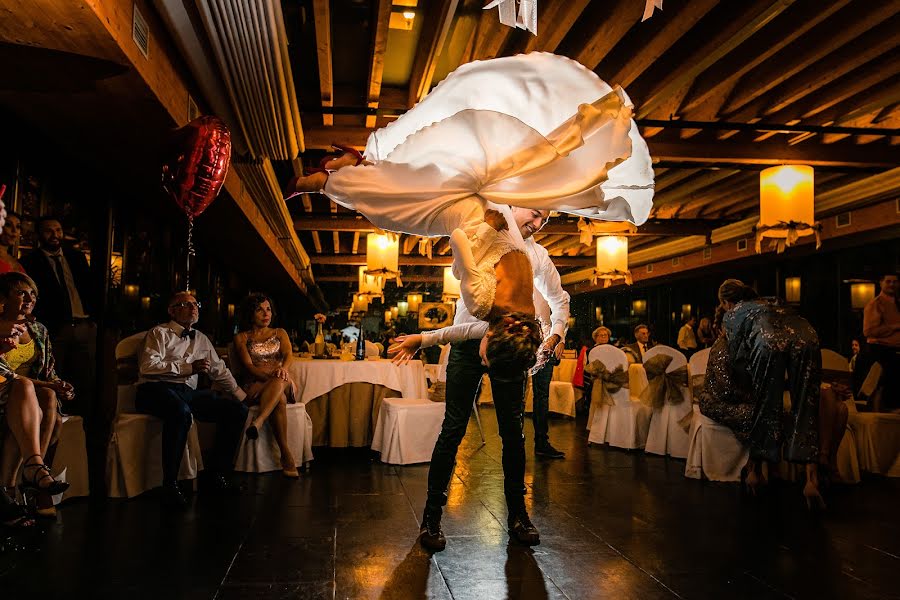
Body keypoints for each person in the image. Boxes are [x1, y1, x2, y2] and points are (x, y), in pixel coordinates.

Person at [389, 207, 571, 551]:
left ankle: (518, 514)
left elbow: (559, 300)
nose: (537, 224)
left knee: (513, 431)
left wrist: (555, 335)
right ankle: (431, 518)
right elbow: (463, 268)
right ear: (514, 205)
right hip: (467, 340)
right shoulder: (483, 230)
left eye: (544, 220)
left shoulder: (538, 255)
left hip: (511, 345)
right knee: (453, 426)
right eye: (534, 214)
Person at [696, 279, 823, 508]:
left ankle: (755, 471)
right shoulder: (772, 303)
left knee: (766, 403)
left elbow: (739, 362)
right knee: (807, 404)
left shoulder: (734, 314)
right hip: (807, 335)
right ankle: (812, 479)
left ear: (725, 302)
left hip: (768, 341)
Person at [136, 291, 249, 507]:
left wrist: (241, 397)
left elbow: (220, 371)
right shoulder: (159, 333)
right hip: (155, 389)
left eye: (195, 304)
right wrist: (188, 368)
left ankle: (217, 474)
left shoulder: (201, 338)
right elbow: (147, 367)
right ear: (172, 310)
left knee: (237, 411)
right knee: (180, 413)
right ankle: (170, 484)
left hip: (186, 393)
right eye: (186, 304)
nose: (193, 307)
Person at [0, 273, 74, 517]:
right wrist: (47, 385)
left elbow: (48, 371)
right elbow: (6, 374)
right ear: (3, 298)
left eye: (32, 294)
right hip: (6, 388)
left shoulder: (38, 330)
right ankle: (32, 480)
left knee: (48, 398)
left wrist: (58, 384)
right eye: (21, 293)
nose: (29, 298)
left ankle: (33, 472)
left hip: (29, 395)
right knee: (25, 388)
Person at [20, 217, 95, 418]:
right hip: (54, 328)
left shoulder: (76, 257)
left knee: (83, 378)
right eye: (49, 231)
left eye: (58, 230)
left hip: (83, 325)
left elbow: (89, 289)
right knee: (54, 375)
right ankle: (53, 420)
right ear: (39, 235)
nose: (55, 235)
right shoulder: (29, 261)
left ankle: (78, 425)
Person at [232, 293, 299, 478]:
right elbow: (248, 366)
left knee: (281, 379)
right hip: (255, 382)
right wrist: (269, 377)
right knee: (280, 400)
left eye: (268, 309)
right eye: (259, 309)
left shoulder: (280, 333)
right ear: (250, 313)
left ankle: (259, 420)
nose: (265, 313)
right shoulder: (241, 338)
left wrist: (283, 369)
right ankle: (286, 454)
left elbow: (288, 355)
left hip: (281, 379)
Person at [862, 273, 899, 411]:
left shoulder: (897, 303)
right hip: (882, 350)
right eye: (888, 281)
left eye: (895, 282)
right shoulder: (875, 304)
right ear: (881, 283)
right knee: (886, 381)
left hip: (894, 350)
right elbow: (869, 331)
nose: (892, 285)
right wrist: (894, 327)